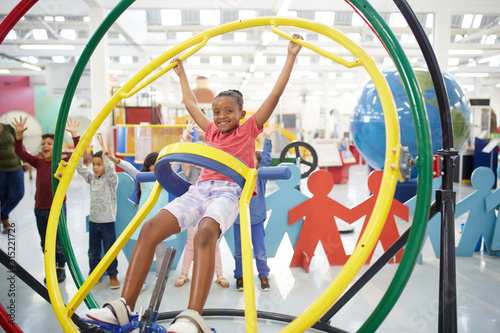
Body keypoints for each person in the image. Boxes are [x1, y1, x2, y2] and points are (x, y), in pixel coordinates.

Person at [87, 34, 303, 332]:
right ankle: (125, 306)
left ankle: (192, 317)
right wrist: (182, 74)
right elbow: (190, 104)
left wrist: (290, 55)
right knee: (150, 228)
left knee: (205, 232)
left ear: (242, 114)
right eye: (216, 112)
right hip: (199, 190)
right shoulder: (212, 132)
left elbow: (275, 95)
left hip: (228, 192)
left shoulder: (250, 128)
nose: (221, 116)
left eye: (229, 111)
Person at [12, 116, 80, 283]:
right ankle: (51, 267)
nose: (45, 146)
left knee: (58, 241)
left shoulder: (62, 163)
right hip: (39, 209)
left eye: (49, 144)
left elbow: (77, 154)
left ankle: (61, 268)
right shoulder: (38, 162)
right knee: (45, 243)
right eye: (44, 144)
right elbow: (20, 152)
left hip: (57, 209)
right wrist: (19, 135)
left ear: (56, 147)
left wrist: (75, 136)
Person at [173, 120, 229, 289]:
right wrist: (185, 138)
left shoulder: (213, 171)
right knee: (191, 243)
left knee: (215, 244)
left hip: (210, 212)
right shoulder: (190, 170)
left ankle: (219, 275)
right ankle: (184, 274)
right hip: (194, 213)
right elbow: (183, 155)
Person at [233, 124, 276, 292]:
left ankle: (263, 276)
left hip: (256, 219)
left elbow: (265, 159)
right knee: (239, 251)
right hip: (239, 220)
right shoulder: (238, 178)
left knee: (260, 251)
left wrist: (267, 138)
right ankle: (240, 276)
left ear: (257, 165)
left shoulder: (260, 177)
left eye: (253, 160)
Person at [76, 133, 120, 289]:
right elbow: (79, 167)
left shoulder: (111, 180)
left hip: (108, 222)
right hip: (94, 222)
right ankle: (94, 274)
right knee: (93, 252)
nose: (95, 167)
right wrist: (78, 143)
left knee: (110, 251)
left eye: (98, 164)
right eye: (94, 164)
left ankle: (113, 275)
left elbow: (110, 168)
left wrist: (103, 148)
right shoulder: (92, 178)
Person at [0, 122, 24, 234]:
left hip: (15, 166)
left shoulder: (8, 128)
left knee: (18, 193)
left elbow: (19, 144)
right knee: (2, 197)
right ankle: (6, 226)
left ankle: (2, 214)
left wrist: (24, 160)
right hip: (0, 170)